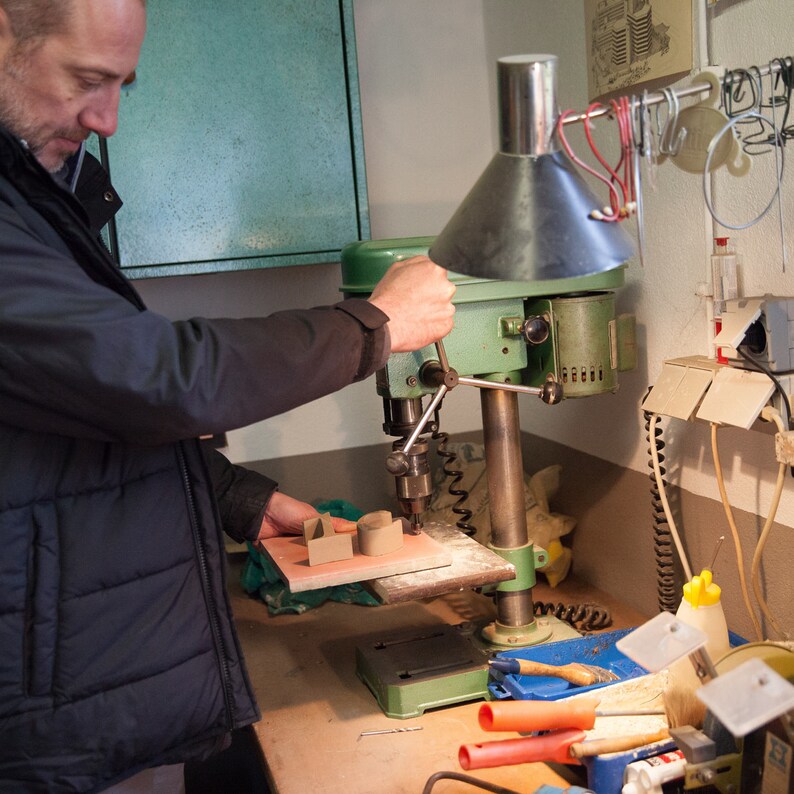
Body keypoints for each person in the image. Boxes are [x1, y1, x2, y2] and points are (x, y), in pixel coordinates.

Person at [0, 0, 456, 791]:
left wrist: (240, 497)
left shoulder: (36, 188)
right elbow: (157, 377)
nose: (107, 119)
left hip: (87, 683)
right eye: (87, 80)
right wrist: (374, 325)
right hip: (48, 721)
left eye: (124, 88)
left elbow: (68, 419)